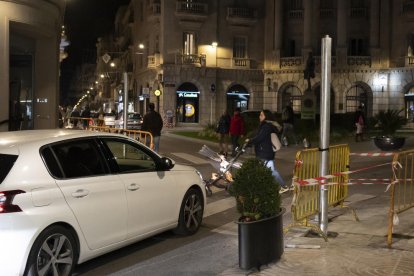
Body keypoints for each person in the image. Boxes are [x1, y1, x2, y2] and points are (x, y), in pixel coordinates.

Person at [246, 110, 288, 192]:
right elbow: (259, 136)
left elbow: (260, 138)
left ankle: (258, 189)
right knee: (271, 171)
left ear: (266, 117)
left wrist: (249, 141)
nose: (259, 116)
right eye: (260, 115)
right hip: (266, 152)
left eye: (261, 115)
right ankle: (283, 186)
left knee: (260, 171)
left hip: (264, 153)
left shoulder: (266, 126)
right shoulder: (266, 126)